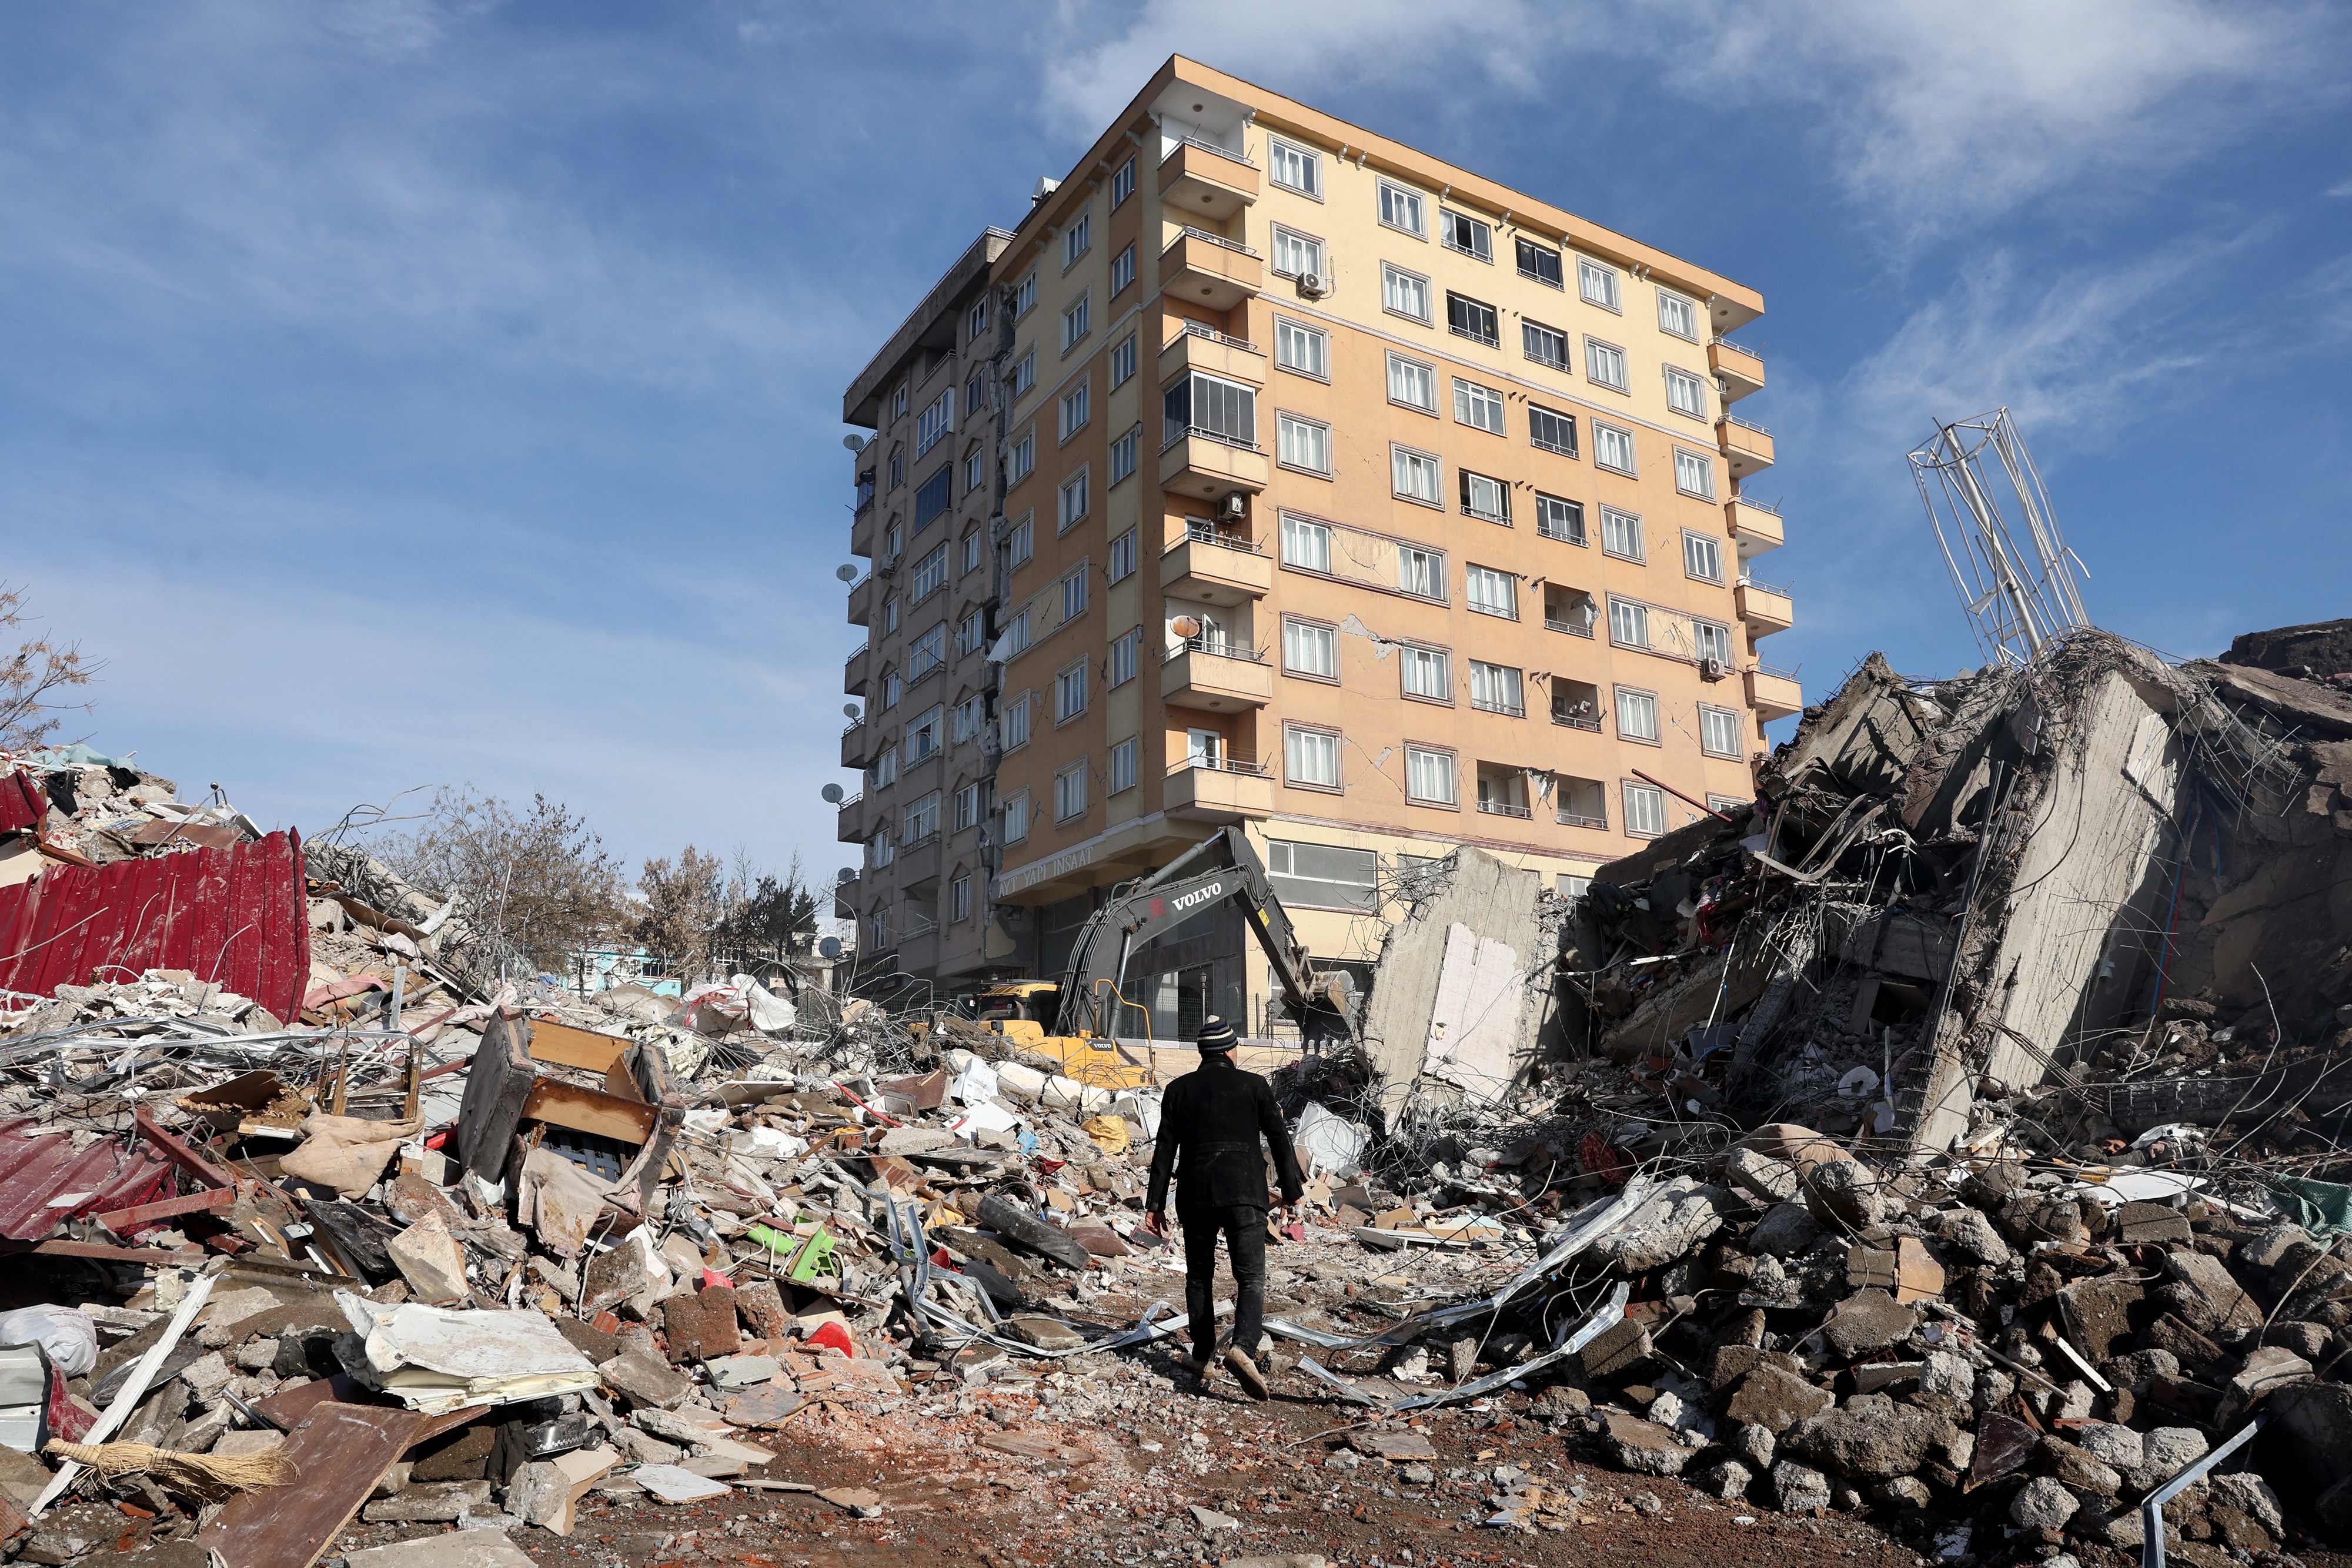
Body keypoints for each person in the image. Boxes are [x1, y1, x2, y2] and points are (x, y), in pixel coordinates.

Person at [1144, 1014, 1304, 1399]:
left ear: (1203, 1052)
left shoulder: (1178, 1089)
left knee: (1199, 1274)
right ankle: (1244, 1347)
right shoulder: (1254, 1085)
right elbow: (1280, 1139)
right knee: (1250, 1276)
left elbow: (1165, 1148)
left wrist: (1154, 1203)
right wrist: (1292, 1190)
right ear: (1232, 1050)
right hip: (1245, 1190)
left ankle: (1202, 1354)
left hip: (1195, 1193)